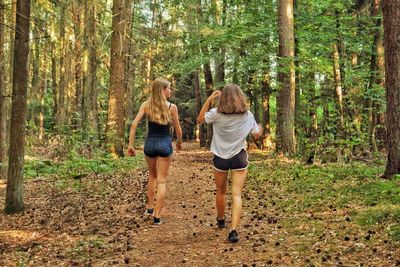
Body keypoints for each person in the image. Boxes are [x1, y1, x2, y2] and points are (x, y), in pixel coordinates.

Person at [197, 83, 262, 243]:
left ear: (223, 98)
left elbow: (199, 119)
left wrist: (209, 99)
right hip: (239, 157)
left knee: (220, 191)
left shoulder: (216, 114)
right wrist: (259, 128)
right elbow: (257, 135)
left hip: (220, 157)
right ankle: (233, 230)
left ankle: (220, 219)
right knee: (236, 194)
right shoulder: (247, 115)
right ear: (240, 98)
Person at [128, 77, 183, 225]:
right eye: (168, 88)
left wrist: (131, 145)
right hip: (165, 144)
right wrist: (178, 142)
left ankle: (150, 208)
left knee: (152, 176)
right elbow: (178, 129)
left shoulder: (146, 105)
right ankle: (157, 216)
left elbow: (134, 124)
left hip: (150, 144)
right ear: (162, 90)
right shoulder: (172, 107)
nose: (170, 91)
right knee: (162, 180)